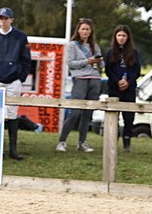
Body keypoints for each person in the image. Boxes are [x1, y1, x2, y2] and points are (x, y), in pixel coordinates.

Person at [0, 7, 32, 160]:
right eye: (1, 18)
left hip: (13, 82)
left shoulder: (21, 37)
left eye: (6, 18)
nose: (3, 21)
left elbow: (26, 60)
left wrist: (20, 79)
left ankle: (13, 150)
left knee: (12, 115)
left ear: (11, 19)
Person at [56, 18, 104, 153]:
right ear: (78, 30)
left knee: (88, 113)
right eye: (83, 29)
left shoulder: (95, 45)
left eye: (87, 29)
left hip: (94, 79)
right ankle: (62, 141)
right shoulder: (72, 45)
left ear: (91, 31)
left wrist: (99, 62)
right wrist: (87, 61)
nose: (85, 31)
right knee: (75, 112)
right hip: (80, 79)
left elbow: (101, 66)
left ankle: (82, 143)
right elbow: (70, 63)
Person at [104, 24, 142, 153]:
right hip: (114, 88)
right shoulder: (110, 52)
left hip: (129, 89)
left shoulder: (134, 53)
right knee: (114, 115)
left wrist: (128, 82)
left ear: (128, 37)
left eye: (124, 35)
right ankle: (113, 139)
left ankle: (127, 142)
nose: (121, 38)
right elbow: (108, 70)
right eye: (119, 35)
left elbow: (136, 71)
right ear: (115, 37)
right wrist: (117, 81)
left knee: (129, 116)